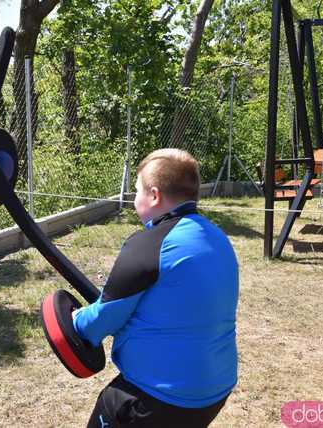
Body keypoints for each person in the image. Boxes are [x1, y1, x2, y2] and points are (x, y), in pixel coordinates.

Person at [72, 148, 239, 428]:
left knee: (111, 404)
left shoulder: (150, 243)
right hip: (214, 391)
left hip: (162, 397)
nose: (134, 198)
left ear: (154, 195)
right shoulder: (217, 236)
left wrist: (74, 318)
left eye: (137, 191)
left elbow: (99, 322)